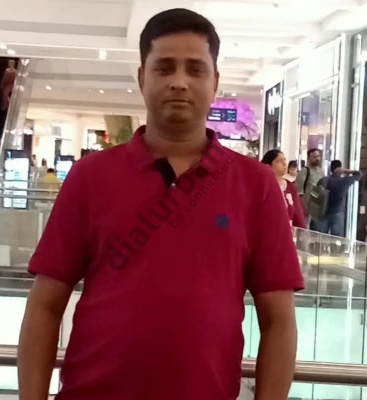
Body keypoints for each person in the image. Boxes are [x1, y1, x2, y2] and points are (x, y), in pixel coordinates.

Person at [18, 9, 303, 400]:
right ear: (141, 78)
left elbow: (279, 321)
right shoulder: (90, 177)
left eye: (195, 69)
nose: (179, 82)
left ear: (215, 81)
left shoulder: (255, 185)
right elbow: (45, 306)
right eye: (164, 68)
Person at [262, 150, 306, 228]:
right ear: (269, 165)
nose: (284, 163)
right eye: (279, 161)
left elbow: (298, 215)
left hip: (288, 232)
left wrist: (302, 231)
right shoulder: (262, 187)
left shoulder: (291, 187)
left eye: (284, 159)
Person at [322, 160, 362, 237]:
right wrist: (346, 171)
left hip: (323, 213)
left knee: (321, 238)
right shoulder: (345, 180)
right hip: (338, 213)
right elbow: (359, 174)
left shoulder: (325, 180)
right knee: (337, 239)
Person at [296, 149, 325, 231]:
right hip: (306, 207)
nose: (317, 159)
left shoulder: (321, 172)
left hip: (317, 207)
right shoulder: (305, 171)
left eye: (318, 156)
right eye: (314, 157)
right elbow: (298, 191)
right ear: (309, 158)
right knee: (305, 229)